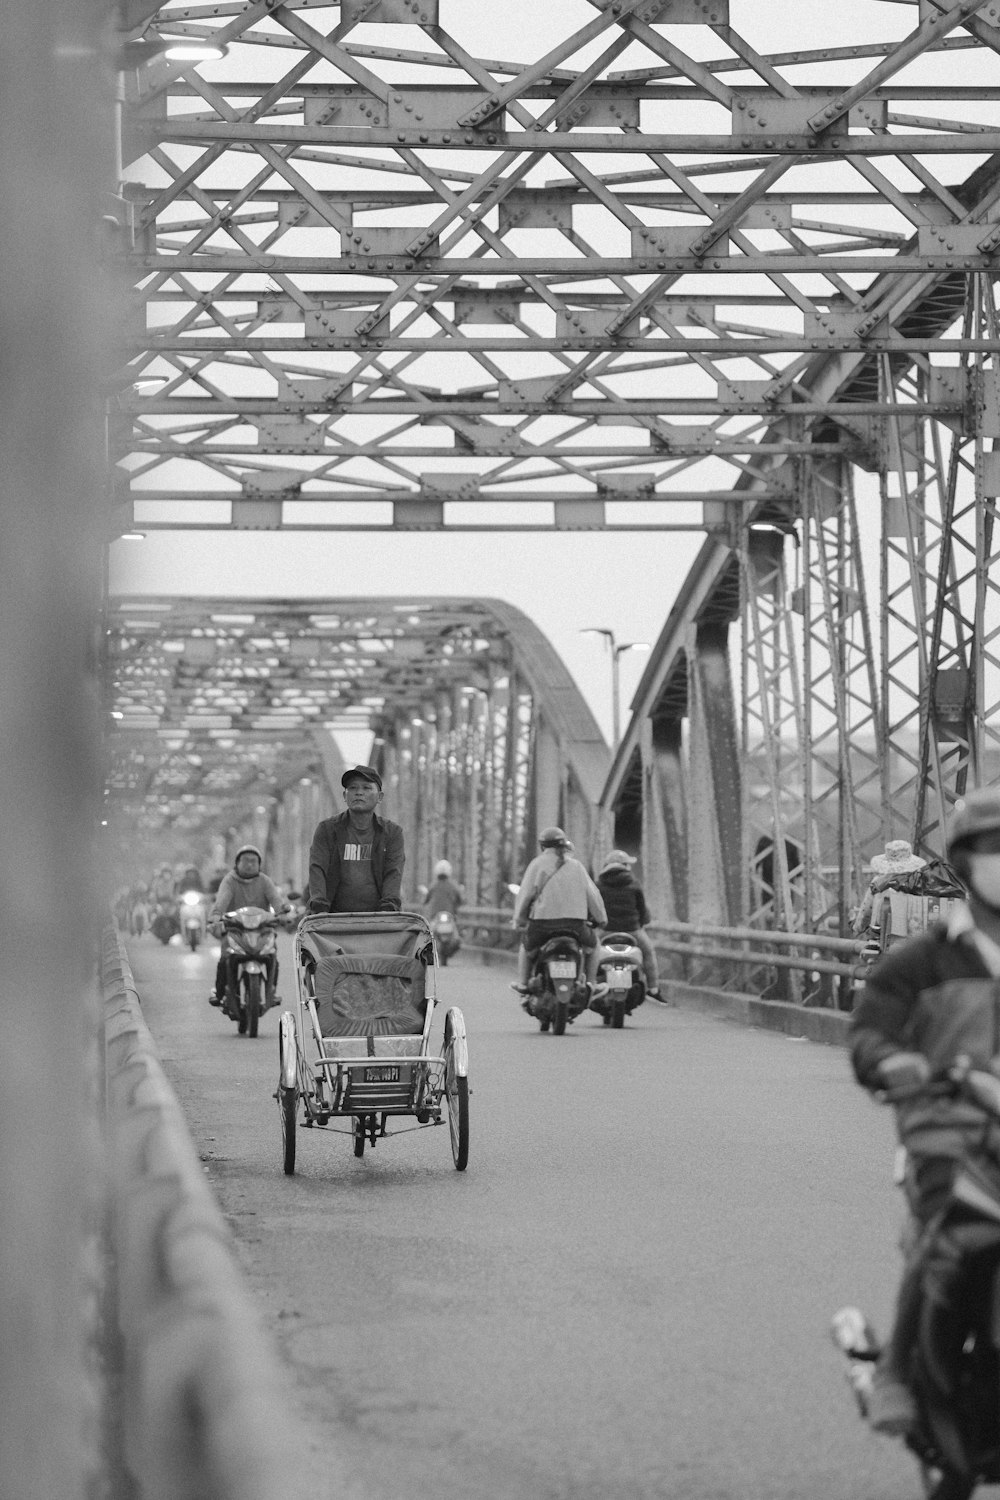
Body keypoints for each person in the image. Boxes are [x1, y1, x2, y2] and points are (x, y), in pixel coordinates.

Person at [846, 789, 1000, 1437]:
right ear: (965, 863)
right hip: (950, 1134)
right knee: (942, 1232)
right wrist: (890, 1062)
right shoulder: (924, 959)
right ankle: (897, 1373)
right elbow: (870, 1032)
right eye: (995, 850)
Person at [510, 826, 607, 1000]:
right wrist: (601, 919)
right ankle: (592, 983)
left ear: (543, 845)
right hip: (575, 926)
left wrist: (518, 919)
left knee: (527, 947)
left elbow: (525, 895)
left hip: (542, 925)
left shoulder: (537, 864)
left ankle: (523, 983)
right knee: (594, 946)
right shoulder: (576, 866)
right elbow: (593, 896)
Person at [307, 765, 404, 914]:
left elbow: (393, 872)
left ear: (380, 797)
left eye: (366, 788)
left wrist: (388, 908)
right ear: (345, 796)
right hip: (332, 917)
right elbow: (317, 868)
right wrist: (319, 907)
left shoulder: (392, 833)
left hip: (379, 919)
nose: (359, 792)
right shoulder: (327, 830)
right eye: (352, 788)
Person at [207, 845, 291, 1012]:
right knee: (225, 957)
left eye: (254, 861)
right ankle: (220, 991)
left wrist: (282, 913)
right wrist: (216, 916)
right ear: (237, 863)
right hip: (235, 929)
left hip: (262, 929)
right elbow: (221, 902)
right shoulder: (230, 880)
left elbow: (276, 900)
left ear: (259, 864)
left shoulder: (265, 881)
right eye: (245, 861)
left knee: (272, 955)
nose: (250, 865)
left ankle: (271, 992)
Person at [595, 849, 663, 1001]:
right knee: (648, 952)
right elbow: (643, 911)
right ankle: (653, 989)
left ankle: (589, 983)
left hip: (605, 930)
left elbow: (593, 909)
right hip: (632, 930)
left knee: (590, 951)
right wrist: (643, 922)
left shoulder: (598, 885)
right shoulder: (634, 884)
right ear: (625, 865)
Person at [852, 839, 927, 942]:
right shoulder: (920, 882)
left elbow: (867, 910)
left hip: (882, 933)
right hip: (916, 935)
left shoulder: (879, 883)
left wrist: (858, 928)